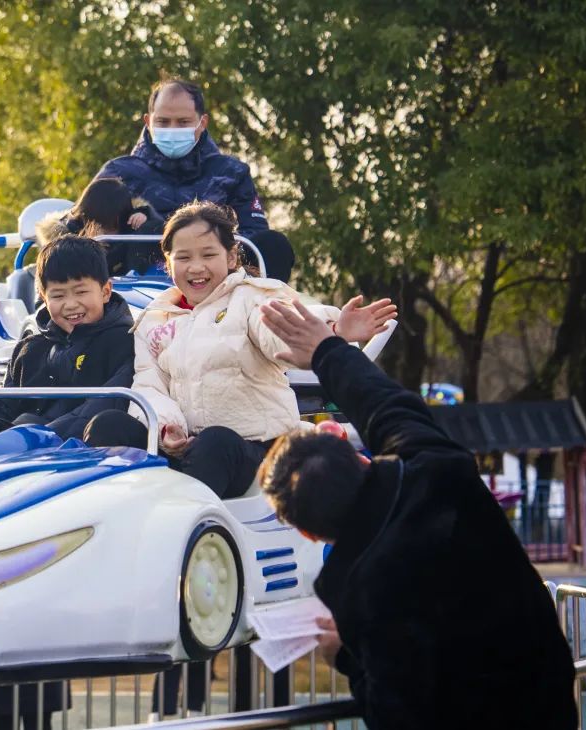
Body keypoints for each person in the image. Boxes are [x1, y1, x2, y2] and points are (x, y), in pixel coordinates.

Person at [85, 201, 393, 718]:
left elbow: (286, 334)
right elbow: (148, 384)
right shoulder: (157, 318)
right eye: (184, 256)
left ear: (232, 256)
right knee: (112, 426)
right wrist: (166, 426)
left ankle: (171, 562)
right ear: (167, 262)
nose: (196, 267)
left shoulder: (253, 298)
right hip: (189, 447)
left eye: (208, 254)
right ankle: (112, 550)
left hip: (254, 447)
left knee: (218, 443)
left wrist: (336, 332)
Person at [257, 299, 577, 729]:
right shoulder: (438, 471)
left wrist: (344, 657)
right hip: (548, 703)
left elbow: (397, 712)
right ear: (361, 460)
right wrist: (326, 350)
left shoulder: (364, 592)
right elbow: (385, 403)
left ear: (308, 534)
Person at [0, 234, 134, 447]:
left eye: (81, 292)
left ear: (105, 291)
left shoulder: (125, 342)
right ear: (44, 296)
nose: (70, 304)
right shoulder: (31, 348)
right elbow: (1, 408)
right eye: (58, 296)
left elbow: (107, 403)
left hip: (82, 447)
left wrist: (37, 437)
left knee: (107, 423)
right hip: (26, 446)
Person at [93, 79, 295, 281]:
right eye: (163, 122)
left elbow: (253, 232)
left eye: (183, 122)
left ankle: (260, 300)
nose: (172, 129)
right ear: (148, 121)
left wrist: (210, 252)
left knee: (273, 244)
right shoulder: (117, 173)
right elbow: (84, 231)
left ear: (202, 123)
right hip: (134, 282)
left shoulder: (232, 174)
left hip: (216, 279)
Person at [35, 177, 164, 275]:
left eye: (113, 227)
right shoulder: (63, 243)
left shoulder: (131, 222)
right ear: (87, 219)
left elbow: (165, 237)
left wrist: (146, 216)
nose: (108, 234)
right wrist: (95, 246)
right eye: (104, 227)